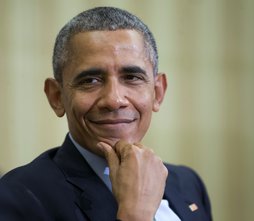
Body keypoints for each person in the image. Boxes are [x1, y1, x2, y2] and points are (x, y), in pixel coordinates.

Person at [0, 7, 212, 221]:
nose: (114, 100)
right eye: (90, 80)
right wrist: (134, 215)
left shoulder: (187, 184)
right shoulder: (16, 198)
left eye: (131, 77)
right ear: (57, 97)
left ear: (157, 92)